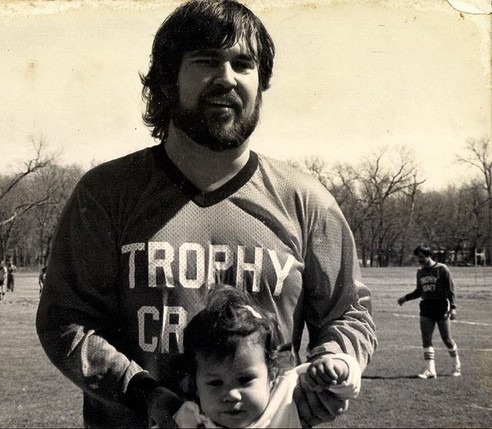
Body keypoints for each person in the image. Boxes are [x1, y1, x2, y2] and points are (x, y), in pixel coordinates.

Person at [36, 1, 377, 427]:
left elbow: (347, 314)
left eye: (244, 64)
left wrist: (329, 371)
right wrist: (145, 396)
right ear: (167, 79)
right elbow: (66, 321)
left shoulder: (307, 201)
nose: (227, 78)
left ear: (261, 83)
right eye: (206, 61)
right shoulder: (107, 193)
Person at [169, 285, 361, 428]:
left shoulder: (285, 400)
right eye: (215, 383)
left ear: (271, 375)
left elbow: (344, 390)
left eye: (245, 380)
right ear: (195, 385)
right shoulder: (189, 417)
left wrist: (337, 368)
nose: (232, 394)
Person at [397, 244, 461, 379]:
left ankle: (456, 365)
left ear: (429, 255)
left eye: (421, 257)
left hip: (441, 306)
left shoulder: (442, 269)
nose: (419, 260)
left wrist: (453, 308)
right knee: (426, 338)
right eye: (418, 257)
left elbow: (451, 290)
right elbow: (419, 291)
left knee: (446, 339)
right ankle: (430, 370)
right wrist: (405, 298)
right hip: (426, 306)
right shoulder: (420, 272)